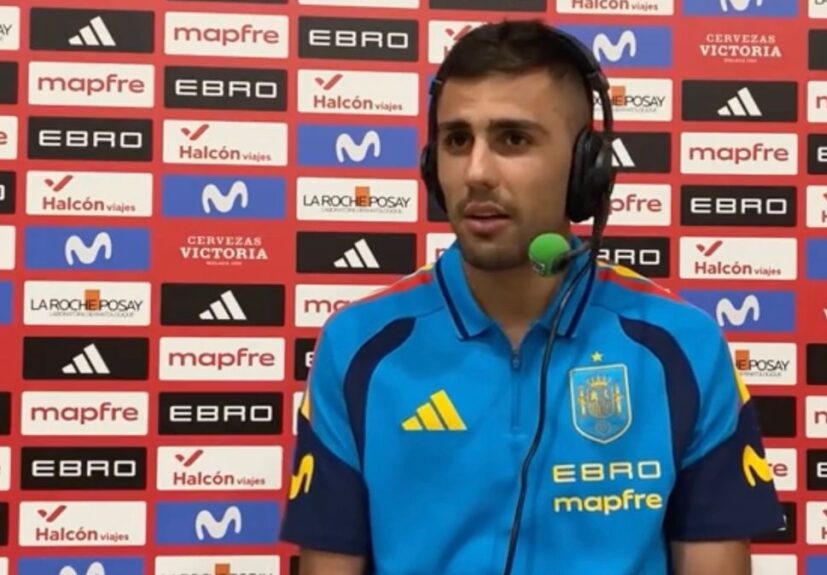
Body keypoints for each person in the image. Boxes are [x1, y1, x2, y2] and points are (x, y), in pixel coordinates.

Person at [280, 18, 785, 575]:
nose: (476, 172)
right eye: (456, 140)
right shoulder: (359, 347)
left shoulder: (680, 345)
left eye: (513, 139)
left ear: (585, 168)